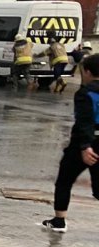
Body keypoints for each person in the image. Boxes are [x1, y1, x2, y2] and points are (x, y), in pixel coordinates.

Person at [46, 53, 99, 233]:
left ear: (87, 71)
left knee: (64, 180)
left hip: (85, 145)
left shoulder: (85, 94)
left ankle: (59, 221)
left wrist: (85, 146)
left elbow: (85, 121)